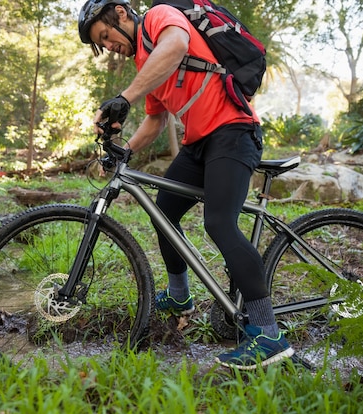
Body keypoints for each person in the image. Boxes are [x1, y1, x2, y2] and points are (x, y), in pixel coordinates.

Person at [78, 0, 294, 370]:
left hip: (233, 131)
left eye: (105, 36)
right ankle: (180, 296)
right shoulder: (145, 62)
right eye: (102, 43)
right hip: (199, 145)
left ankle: (268, 333)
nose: (109, 46)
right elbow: (156, 121)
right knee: (164, 213)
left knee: (219, 222)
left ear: (121, 13)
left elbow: (177, 45)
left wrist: (123, 98)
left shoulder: (161, 17)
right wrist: (123, 149)